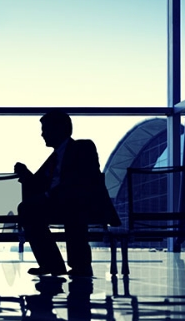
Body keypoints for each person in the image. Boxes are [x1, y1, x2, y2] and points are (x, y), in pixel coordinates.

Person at [14, 110, 120, 278]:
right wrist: (26, 174)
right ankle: (52, 264)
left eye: (45, 129)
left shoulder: (83, 147)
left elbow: (81, 180)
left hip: (80, 203)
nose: (42, 134)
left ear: (60, 129)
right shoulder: (53, 158)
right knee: (27, 209)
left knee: (72, 206)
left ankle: (77, 265)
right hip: (60, 203)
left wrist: (48, 196)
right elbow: (39, 184)